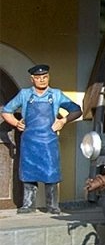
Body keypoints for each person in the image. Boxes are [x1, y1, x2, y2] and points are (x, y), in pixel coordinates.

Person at [2, 65, 82, 214]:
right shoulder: (25, 94)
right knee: (28, 173)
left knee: (51, 173)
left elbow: (76, 110)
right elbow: (6, 111)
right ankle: (28, 205)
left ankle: (52, 205)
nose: (42, 80)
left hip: (49, 142)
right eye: (38, 78)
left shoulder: (56, 94)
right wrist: (16, 123)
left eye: (45, 77)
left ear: (48, 77)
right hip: (29, 141)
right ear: (32, 79)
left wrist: (63, 121)